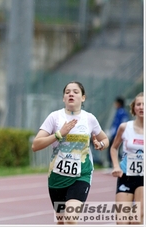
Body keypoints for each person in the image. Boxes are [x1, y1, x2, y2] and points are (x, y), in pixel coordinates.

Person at [32, 81, 109, 224]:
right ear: (63, 98)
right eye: (67, 92)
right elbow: (35, 145)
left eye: (75, 92)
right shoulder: (54, 117)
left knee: (71, 219)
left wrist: (101, 144)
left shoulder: (89, 119)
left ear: (83, 97)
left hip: (81, 175)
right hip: (57, 177)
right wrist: (59, 134)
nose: (71, 94)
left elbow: (104, 138)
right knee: (61, 222)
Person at [110, 92, 143, 225]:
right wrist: (116, 166)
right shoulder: (125, 127)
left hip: (143, 178)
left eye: (144, 104)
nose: (141, 107)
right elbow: (113, 148)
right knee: (122, 221)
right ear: (134, 108)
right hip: (126, 175)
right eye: (139, 104)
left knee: (137, 218)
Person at [108, 96, 130, 167]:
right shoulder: (121, 112)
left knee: (113, 148)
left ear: (119, 103)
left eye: (116, 103)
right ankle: (115, 163)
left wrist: (113, 132)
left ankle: (113, 164)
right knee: (116, 149)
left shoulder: (121, 112)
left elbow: (118, 124)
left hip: (118, 134)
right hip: (117, 133)